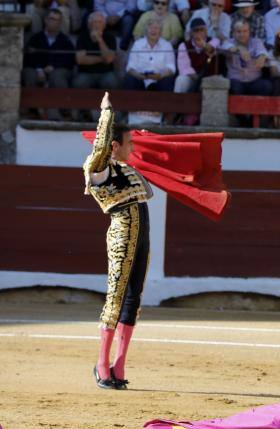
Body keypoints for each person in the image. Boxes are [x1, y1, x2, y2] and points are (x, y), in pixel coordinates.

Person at [83, 92, 153, 390]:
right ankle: (102, 364)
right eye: (130, 143)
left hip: (142, 234)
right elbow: (100, 147)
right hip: (122, 233)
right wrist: (106, 113)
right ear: (115, 145)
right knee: (115, 299)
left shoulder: (126, 169)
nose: (133, 148)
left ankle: (120, 364)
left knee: (133, 299)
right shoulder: (99, 168)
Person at [22, 9, 75, 94]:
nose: (55, 22)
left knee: (57, 76)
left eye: (58, 20)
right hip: (37, 69)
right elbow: (28, 57)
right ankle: (33, 106)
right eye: (52, 19)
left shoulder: (65, 40)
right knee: (30, 74)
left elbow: (69, 59)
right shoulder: (35, 38)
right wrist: (39, 70)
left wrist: (53, 67)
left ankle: (61, 105)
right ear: (46, 20)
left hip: (57, 69)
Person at [124, 18, 177, 91]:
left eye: (156, 28)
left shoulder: (167, 45)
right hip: (140, 78)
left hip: (160, 79)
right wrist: (139, 76)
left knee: (167, 81)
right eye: (151, 27)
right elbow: (130, 67)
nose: (153, 30)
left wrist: (160, 76)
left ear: (160, 32)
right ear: (146, 31)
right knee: (130, 79)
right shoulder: (137, 44)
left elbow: (171, 68)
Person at [223, 20, 273, 96]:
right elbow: (226, 47)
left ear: (249, 32)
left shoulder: (256, 42)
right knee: (234, 88)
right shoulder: (228, 42)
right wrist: (239, 48)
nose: (242, 34)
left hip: (254, 81)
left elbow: (262, 52)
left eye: (245, 31)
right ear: (233, 33)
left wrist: (262, 57)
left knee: (266, 86)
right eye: (239, 32)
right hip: (236, 80)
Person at [74, 11, 119, 91]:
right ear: (89, 24)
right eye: (95, 22)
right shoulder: (82, 37)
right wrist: (102, 59)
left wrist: (100, 40)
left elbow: (109, 59)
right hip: (86, 73)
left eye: (100, 22)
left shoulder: (110, 37)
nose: (97, 25)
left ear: (104, 25)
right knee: (79, 83)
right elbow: (80, 60)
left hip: (105, 73)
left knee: (112, 82)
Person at [175, 18, 220, 95]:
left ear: (206, 31)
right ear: (191, 33)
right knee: (181, 80)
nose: (199, 33)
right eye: (196, 30)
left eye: (201, 30)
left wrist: (204, 45)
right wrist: (198, 80)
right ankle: (177, 103)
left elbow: (211, 49)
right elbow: (184, 68)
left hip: (210, 77)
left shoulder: (214, 40)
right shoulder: (183, 46)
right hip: (193, 77)